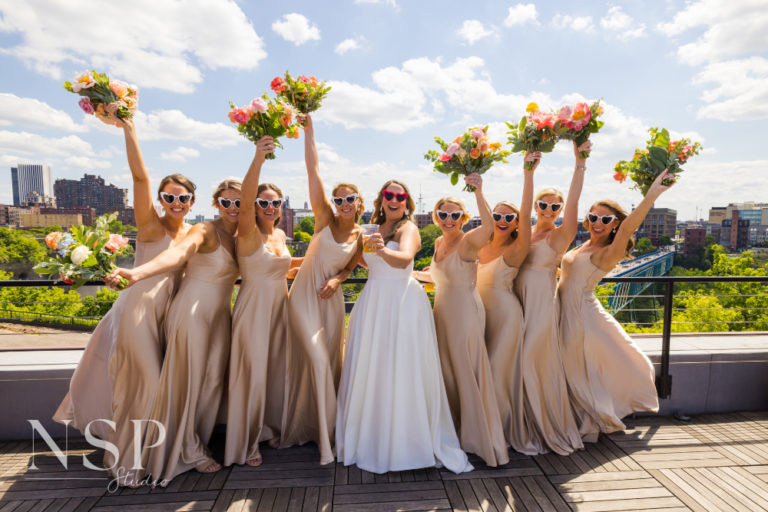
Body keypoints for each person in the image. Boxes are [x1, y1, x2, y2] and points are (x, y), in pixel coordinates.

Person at [54, 118, 194, 485]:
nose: (175, 203)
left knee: (160, 387)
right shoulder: (152, 226)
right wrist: (129, 128)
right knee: (143, 384)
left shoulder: (195, 233)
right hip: (138, 311)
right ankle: (129, 463)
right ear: (161, 200)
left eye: (182, 197)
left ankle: (158, 454)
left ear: (192, 201)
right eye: (169, 196)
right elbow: (140, 179)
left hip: (170, 317)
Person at [108, 179, 241, 482]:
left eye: (238, 203)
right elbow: (178, 255)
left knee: (210, 385)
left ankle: (193, 441)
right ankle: (188, 451)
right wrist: (136, 273)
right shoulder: (204, 230)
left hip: (220, 316)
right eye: (226, 202)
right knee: (188, 383)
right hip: (191, 313)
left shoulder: (243, 236)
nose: (232, 208)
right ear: (215, 204)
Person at [336, 180, 472, 474]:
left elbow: (405, 259)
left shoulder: (408, 228)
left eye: (400, 196)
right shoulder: (372, 228)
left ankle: (405, 443)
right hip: (373, 300)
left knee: (401, 367)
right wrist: (358, 254)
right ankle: (372, 436)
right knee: (374, 367)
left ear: (406, 200)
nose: (394, 200)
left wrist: (382, 251)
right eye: (389, 195)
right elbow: (363, 261)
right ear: (381, 199)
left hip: (401, 303)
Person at [558, 170, 672, 441]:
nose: (598, 223)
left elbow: (630, 227)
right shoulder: (583, 244)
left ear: (615, 225)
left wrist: (653, 193)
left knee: (577, 370)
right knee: (580, 369)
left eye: (606, 219)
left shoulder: (609, 252)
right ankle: (585, 415)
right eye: (594, 217)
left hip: (581, 317)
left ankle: (593, 417)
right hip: (566, 312)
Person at [281, 114, 363, 464]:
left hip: (331, 301)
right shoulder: (323, 220)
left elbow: (349, 267)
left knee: (329, 363)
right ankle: (326, 445)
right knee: (315, 358)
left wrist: (339, 278)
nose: (344, 204)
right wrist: (309, 131)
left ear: (360, 202)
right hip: (303, 297)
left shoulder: (364, 236)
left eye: (350, 199)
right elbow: (313, 173)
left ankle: (324, 431)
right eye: (339, 199)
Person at [424, 173, 509, 467]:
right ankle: (456, 431)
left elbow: (489, 227)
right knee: (448, 370)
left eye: (455, 215)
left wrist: (479, 189)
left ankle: (479, 437)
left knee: (466, 369)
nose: (449, 219)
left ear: (463, 218)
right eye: (443, 214)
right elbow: (436, 277)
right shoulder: (437, 242)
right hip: (442, 313)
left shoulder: (469, 241)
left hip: (464, 313)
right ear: (436, 217)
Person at [513, 140, 591, 455]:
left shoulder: (561, 235)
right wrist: (528, 173)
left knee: (534, 357)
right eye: (543, 205)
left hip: (542, 302)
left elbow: (574, 201)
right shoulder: (522, 230)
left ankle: (544, 423)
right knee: (517, 359)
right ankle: (520, 420)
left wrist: (579, 163)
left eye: (554, 206)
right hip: (515, 298)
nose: (548, 209)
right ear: (535, 208)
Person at [224, 137, 291, 467]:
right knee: (251, 374)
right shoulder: (248, 232)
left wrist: (340, 265)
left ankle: (266, 428)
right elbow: (246, 198)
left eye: (275, 203)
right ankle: (246, 443)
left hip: (279, 308)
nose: (270, 208)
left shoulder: (279, 235)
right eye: (264, 203)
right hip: (253, 310)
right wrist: (258, 158)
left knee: (273, 371)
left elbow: (287, 266)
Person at [476, 151, 543, 455]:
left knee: (496, 374)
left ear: (517, 222)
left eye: (508, 217)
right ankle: (479, 430)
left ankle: (497, 434)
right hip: (477, 316)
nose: (501, 221)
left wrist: (528, 173)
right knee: (478, 374)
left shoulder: (518, 247)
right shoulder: (477, 242)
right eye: (496, 216)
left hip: (505, 317)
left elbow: (528, 210)